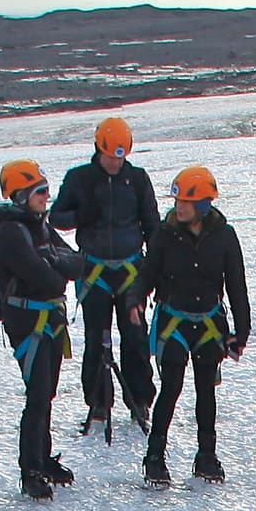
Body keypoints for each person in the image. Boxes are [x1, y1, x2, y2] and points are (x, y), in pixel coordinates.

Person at [51, 116, 158, 446]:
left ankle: (139, 400)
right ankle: (98, 403)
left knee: (136, 336)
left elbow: (152, 225)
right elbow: (56, 217)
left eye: (121, 157)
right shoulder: (79, 179)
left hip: (130, 271)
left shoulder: (137, 180)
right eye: (112, 156)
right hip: (94, 271)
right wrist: (82, 215)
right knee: (97, 339)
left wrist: (155, 270)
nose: (116, 163)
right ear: (99, 149)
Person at [141, 163, 251, 485]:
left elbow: (236, 285)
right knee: (171, 387)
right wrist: (136, 298)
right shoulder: (165, 233)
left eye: (186, 203)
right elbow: (148, 272)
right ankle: (155, 456)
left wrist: (240, 333)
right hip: (173, 320)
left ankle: (207, 456)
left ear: (203, 205)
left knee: (206, 390)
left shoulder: (225, 237)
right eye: (177, 202)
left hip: (209, 323)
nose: (179, 208)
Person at [0, 157, 79, 499]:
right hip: (29, 323)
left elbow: (75, 262)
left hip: (48, 319)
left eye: (46, 190)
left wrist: (53, 265)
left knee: (45, 393)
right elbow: (43, 274)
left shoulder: (38, 226)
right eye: (39, 191)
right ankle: (31, 468)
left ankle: (42, 459)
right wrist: (54, 266)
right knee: (37, 395)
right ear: (20, 194)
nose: (45, 197)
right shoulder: (10, 232)